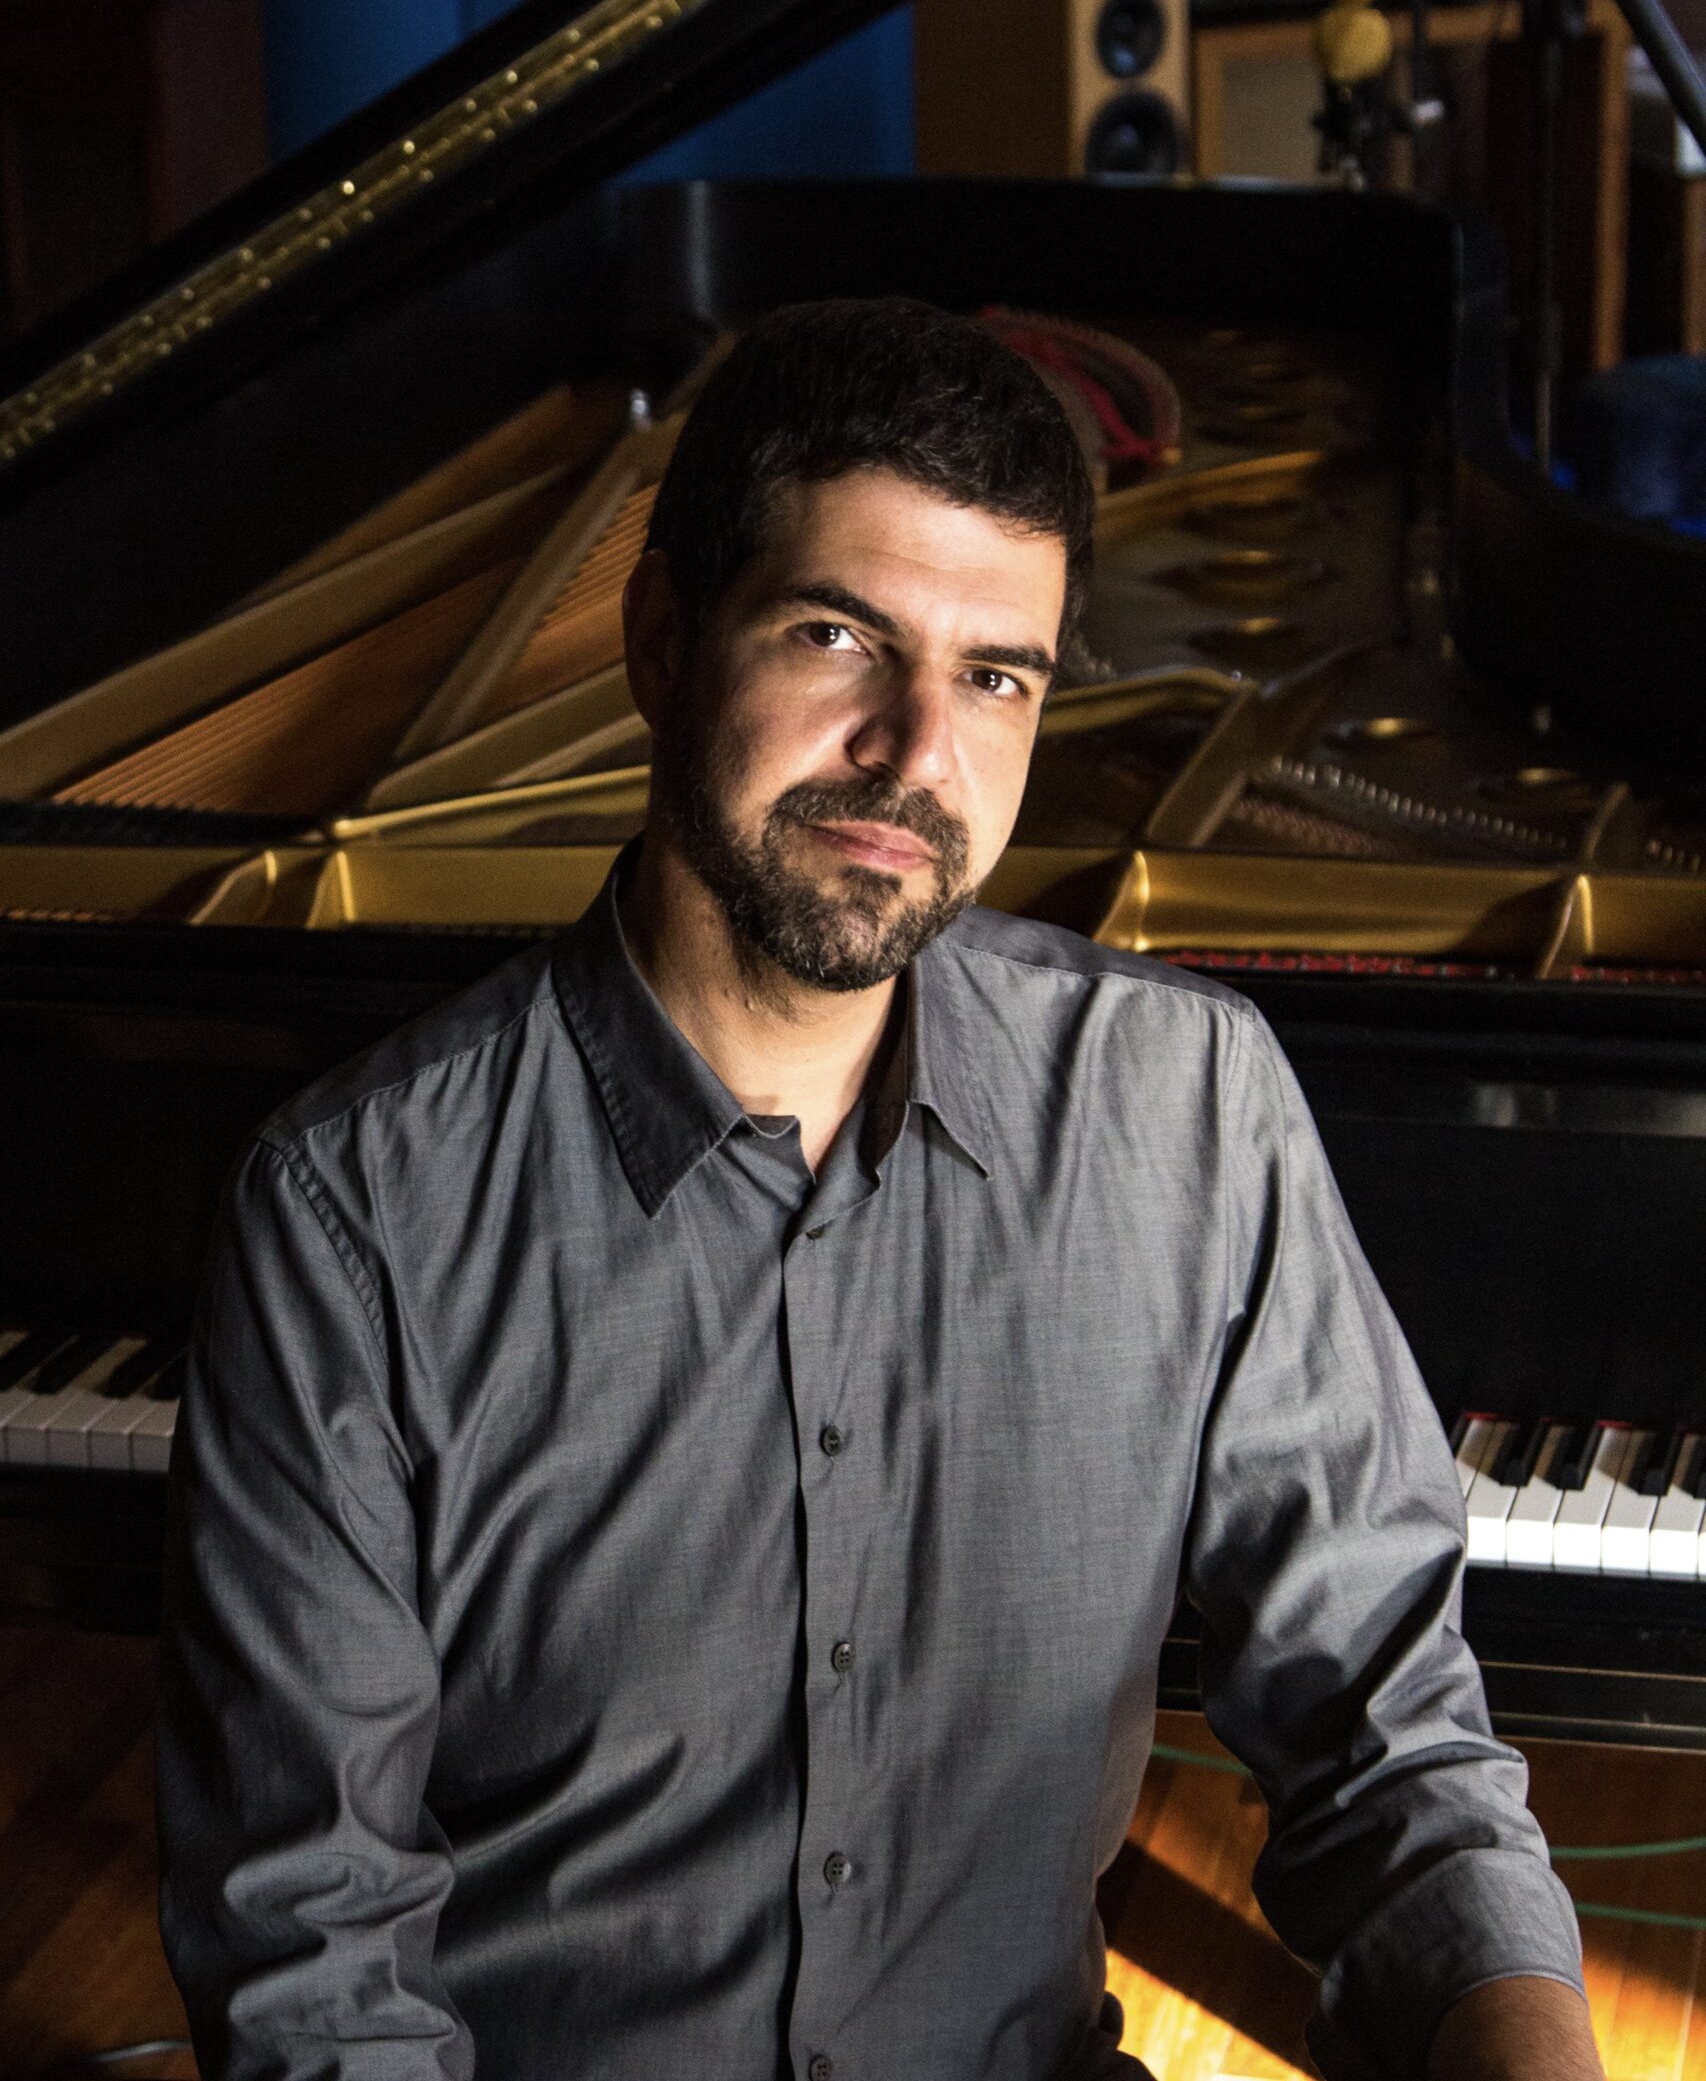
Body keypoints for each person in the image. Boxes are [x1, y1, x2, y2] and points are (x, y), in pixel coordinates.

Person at [157, 298, 1599, 2081]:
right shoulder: (355, 1211)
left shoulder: (1187, 1106)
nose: (917, 753)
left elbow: (1392, 1746)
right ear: (663, 639)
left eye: (995, 676)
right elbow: (312, 1961)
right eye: (839, 636)